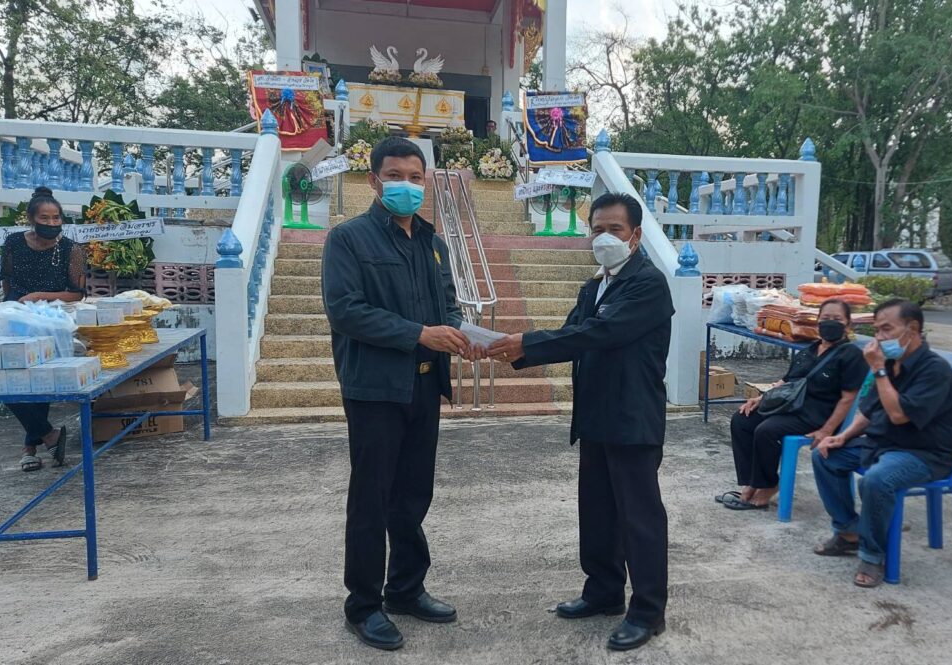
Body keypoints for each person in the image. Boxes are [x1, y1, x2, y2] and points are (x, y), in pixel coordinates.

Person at [488, 192, 673, 652]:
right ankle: (603, 591)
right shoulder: (595, 286)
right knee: (597, 512)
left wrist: (527, 343)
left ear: (635, 235)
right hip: (595, 416)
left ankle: (648, 612)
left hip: (632, 418)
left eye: (615, 229)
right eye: (597, 229)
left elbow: (600, 333)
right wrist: (515, 350)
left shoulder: (648, 284)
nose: (604, 237)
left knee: (639, 519)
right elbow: (574, 333)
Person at [322, 137, 481, 651]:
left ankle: (406, 589)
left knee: (413, 494)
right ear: (374, 181)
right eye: (395, 176)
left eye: (415, 177)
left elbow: (448, 304)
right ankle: (363, 605)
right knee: (372, 498)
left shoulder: (434, 243)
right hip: (374, 388)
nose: (406, 186)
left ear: (426, 182)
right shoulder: (348, 239)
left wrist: (461, 334)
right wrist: (419, 333)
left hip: (424, 383)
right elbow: (346, 310)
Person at [811, 298, 952, 588]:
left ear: (912, 329)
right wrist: (843, 435)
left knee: (877, 480)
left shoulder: (934, 370)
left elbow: (898, 414)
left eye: (886, 329)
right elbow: (868, 411)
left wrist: (878, 370)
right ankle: (848, 532)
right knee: (825, 455)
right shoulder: (892, 364)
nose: (880, 337)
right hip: (883, 444)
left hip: (924, 453)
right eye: (877, 330)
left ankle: (872, 555)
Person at [717, 299, 869, 510]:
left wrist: (826, 430)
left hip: (817, 414)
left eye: (837, 319)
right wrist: (761, 399)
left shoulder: (851, 355)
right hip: (791, 406)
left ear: (848, 325)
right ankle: (752, 482)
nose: (830, 323)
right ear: (818, 322)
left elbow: (848, 398)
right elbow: (787, 382)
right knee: (742, 420)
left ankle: (768, 486)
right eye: (826, 318)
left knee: (766, 430)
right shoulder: (809, 351)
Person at [0, 187, 86, 472]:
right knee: (7, 381)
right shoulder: (14, 243)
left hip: (51, 321)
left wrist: (39, 296)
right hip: (15, 320)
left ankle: (30, 449)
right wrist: (10, 310)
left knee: (40, 381)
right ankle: (49, 436)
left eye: (56, 218)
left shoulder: (71, 249)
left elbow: (77, 293)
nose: (51, 223)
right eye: (44, 218)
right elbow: (7, 281)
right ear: (31, 219)